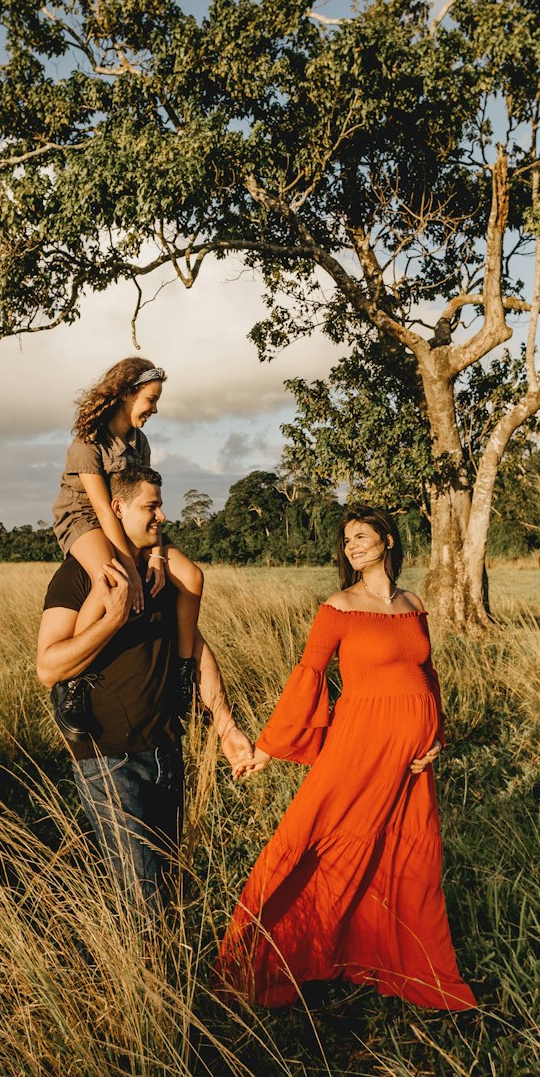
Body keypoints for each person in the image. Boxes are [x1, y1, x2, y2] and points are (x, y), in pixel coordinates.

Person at [216, 507, 476, 1009]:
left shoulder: (414, 603)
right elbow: (308, 676)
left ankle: (389, 957)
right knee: (315, 836)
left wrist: (436, 736)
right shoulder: (338, 607)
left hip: (412, 760)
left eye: (361, 536)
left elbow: (428, 674)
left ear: (389, 540)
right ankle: (264, 956)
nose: (352, 545)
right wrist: (268, 747)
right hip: (359, 747)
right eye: (346, 540)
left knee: (404, 855)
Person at [38, 464, 254, 914]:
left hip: (165, 749)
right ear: (117, 509)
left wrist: (225, 726)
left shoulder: (162, 575)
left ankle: (152, 970)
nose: (161, 516)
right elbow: (49, 665)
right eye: (150, 506)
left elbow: (193, 649)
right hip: (107, 757)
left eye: (161, 505)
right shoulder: (79, 576)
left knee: (170, 886)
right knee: (143, 900)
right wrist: (113, 618)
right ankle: (144, 981)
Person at [51, 357, 204, 689]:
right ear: (126, 394)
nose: (156, 409)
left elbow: (146, 501)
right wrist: (132, 568)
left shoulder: (140, 443)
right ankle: (73, 682)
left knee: (191, 577)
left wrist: (158, 556)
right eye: (152, 399)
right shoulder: (88, 440)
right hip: (84, 516)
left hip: (127, 518)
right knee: (110, 579)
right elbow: (103, 510)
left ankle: (182, 670)